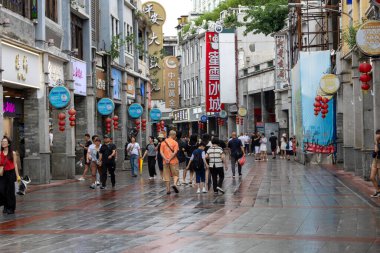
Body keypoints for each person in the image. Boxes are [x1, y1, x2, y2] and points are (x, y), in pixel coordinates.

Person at [0, 136, 21, 214]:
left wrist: (18, 175)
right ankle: (5, 205)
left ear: (8, 144)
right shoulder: (0, 153)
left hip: (11, 173)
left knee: (10, 191)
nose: (3, 143)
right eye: (2, 141)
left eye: (5, 142)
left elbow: (15, 164)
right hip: (2, 174)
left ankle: (11, 208)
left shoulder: (13, 153)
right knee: (2, 190)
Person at [160, 130, 180, 195]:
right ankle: (174, 184)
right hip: (174, 161)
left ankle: (168, 190)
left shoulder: (163, 142)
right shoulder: (175, 143)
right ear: (173, 135)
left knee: (166, 176)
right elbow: (175, 152)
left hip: (165, 162)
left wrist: (166, 159)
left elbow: (161, 152)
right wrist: (170, 159)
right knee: (176, 174)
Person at [370, 130, 380, 198]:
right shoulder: (376, 143)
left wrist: (376, 142)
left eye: (378, 134)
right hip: (375, 161)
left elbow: (377, 150)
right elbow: (374, 153)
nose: (377, 135)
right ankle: (378, 191)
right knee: (372, 177)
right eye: (376, 134)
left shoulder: (377, 143)